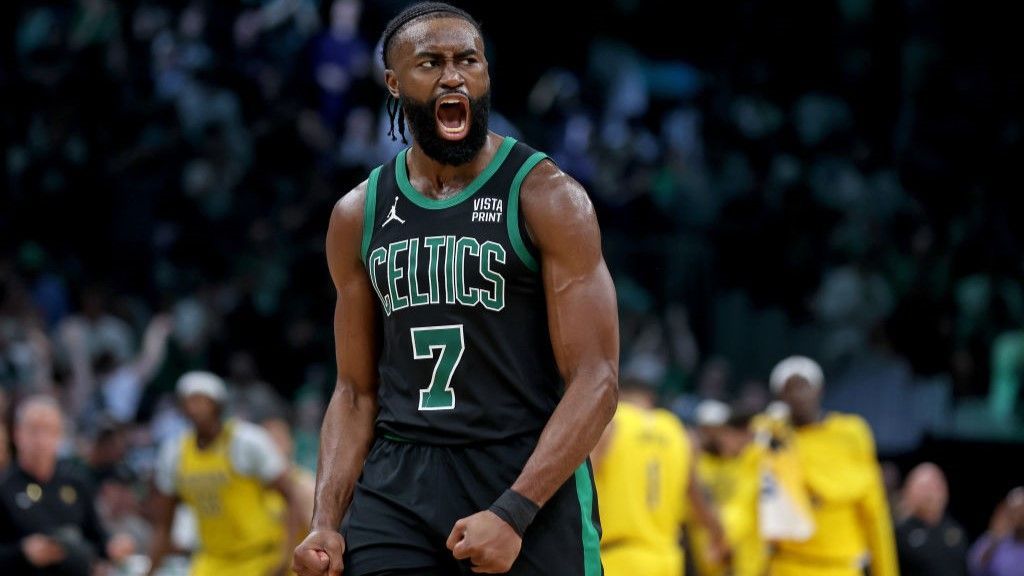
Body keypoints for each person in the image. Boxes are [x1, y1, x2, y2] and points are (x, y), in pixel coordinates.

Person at [292, 3, 620, 575]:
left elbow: (597, 378)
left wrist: (514, 511)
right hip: (398, 483)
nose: (453, 76)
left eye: (468, 60)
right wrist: (324, 520)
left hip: (521, 468)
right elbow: (354, 392)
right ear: (394, 83)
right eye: (430, 63)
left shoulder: (547, 196)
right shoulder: (358, 214)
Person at [148, 371, 297, 576]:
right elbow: (163, 524)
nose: (194, 408)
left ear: (218, 405)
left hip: (259, 556)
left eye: (201, 401)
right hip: (212, 560)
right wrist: (150, 569)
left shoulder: (246, 441)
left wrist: (286, 556)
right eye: (189, 402)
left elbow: (292, 497)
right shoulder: (174, 453)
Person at [766, 355, 898, 576]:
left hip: (841, 565)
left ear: (820, 389)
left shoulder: (850, 433)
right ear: (780, 397)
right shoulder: (770, 435)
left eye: (804, 386)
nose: (798, 396)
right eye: (789, 389)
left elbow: (874, 512)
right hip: (787, 564)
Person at [591, 378, 728, 576]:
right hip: (668, 560)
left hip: (618, 558)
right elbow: (698, 498)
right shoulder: (679, 432)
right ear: (650, 399)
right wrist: (718, 535)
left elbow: (582, 487)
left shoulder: (610, 424)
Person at [0, 396, 134, 575]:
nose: (40, 440)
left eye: (48, 430)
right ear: (17, 433)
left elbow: (95, 534)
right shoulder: (5, 485)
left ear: (59, 435)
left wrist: (113, 545)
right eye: (33, 430)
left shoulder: (75, 480)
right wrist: (22, 553)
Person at [692, 402, 767, 576]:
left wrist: (721, 540)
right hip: (707, 560)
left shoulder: (753, 463)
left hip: (744, 561)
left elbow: (742, 511)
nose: (712, 435)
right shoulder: (701, 464)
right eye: (706, 429)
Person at [895, 462, 967, 576]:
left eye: (936, 486)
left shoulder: (955, 529)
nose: (931, 494)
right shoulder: (899, 534)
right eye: (925, 487)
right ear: (908, 491)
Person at [968, 487, 1024, 576]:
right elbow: (974, 567)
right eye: (1014, 512)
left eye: (1021, 512)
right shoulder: (995, 537)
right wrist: (995, 539)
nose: (1018, 517)